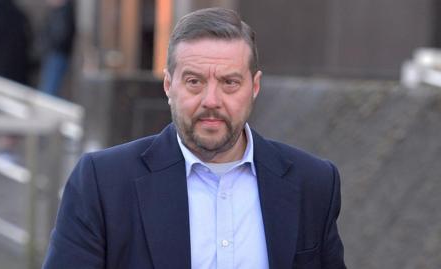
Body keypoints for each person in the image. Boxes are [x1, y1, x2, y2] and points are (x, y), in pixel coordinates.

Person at [42, 8, 346, 269]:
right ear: (168, 85)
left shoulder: (313, 182)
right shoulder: (102, 182)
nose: (211, 100)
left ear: (254, 87)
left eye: (229, 82)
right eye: (194, 81)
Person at [38, 0, 75, 96]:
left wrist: (49, 44)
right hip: (53, 54)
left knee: (49, 90)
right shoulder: (57, 12)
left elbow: (61, 35)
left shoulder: (63, 13)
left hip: (57, 54)